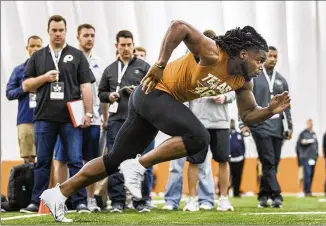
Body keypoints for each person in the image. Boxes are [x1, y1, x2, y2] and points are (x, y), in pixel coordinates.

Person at [39, 21, 290, 222]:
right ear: (243, 54)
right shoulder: (213, 52)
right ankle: (138, 165)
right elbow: (178, 26)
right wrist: (160, 63)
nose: (261, 66)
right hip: (153, 92)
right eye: (258, 60)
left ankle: (57, 194)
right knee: (199, 138)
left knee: (113, 159)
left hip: (153, 100)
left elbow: (248, 115)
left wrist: (269, 110)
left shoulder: (243, 81)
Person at [21, 15, 95, 217]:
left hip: (70, 118)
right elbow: (26, 85)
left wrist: (88, 112)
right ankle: (37, 202)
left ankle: (79, 202)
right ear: (48, 31)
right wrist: (44, 78)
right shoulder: (38, 57)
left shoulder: (77, 55)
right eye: (54, 30)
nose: (58, 34)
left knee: (75, 161)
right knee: (43, 162)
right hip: (44, 117)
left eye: (61, 30)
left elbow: (86, 85)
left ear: (66, 31)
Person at [162, 29, 218, 212]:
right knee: (176, 164)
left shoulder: (216, 67)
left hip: (203, 122)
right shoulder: (185, 61)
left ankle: (207, 199)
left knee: (203, 163)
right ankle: (172, 200)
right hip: (181, 121)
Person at [98, 30, 153, 213]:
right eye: (122, 45)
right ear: (117, 46)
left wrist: (138, 91)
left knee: (141, 161)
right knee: (115, 161)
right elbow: (101, 93)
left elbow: (156, 90)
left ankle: (141, 201)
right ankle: (117, 202)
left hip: (140, 121)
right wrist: (109, 96)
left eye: (129, 44)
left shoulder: (145, 67)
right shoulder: (110, 70)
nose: (126, 48)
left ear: (133, 44)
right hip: (116, 121)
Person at [53, 23, 104, 212]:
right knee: (62, 158)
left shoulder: (99, 62)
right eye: (85, 35)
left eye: (92, 35)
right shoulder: (67, 58)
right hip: (67, 118)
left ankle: (89, 199)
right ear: (78, 37)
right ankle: (60, 199)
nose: (89, 38)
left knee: (89, 160)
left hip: (94, 118)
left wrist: (102, 117)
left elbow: (101, 92)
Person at [240, 46, 293, 208]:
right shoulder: (254, 76)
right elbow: (243, 101)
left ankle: (263, 195)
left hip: (278, 127)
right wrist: (243, 123)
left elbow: (287, 106)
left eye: (275, 56)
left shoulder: (281, 80)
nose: (273, 59)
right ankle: (277, 196)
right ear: (264, 58)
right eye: (270, 56)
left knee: (273, 163)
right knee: (268, 160)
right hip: (259, 125)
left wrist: (289, 126)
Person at [6, 35, 42, 163]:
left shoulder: (49, 70)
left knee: (47, 158)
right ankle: (30, 184)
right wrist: (25, 89)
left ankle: (49, 184)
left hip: (46, 120)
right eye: (32, 46)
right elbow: (9, 93)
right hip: (26, 119)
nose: (35, 49)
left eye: (38, 46)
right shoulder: (19, 70)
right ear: (27, 48)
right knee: (29, 159)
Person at [296, 119, 319, 197]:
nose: (311, 125)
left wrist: (316, 155)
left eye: (312, 123)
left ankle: (309, 190)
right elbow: (299, 144)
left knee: (311, 174)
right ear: (307, 124)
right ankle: (307, 192)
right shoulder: (303, 133)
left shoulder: (314, 134)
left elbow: (316, 145)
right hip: (305, 157)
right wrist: (299, 158)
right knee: (307, 174)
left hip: (313, 158)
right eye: (309, 123)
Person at [229, 119, 245, 198]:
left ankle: (236, 192)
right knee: (230, 176)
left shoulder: (239, 134)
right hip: (230, 159)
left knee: (238, 176)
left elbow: (243, 146)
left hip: (239, 159)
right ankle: (226, 191)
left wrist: (242, 155)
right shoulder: (226, 135)